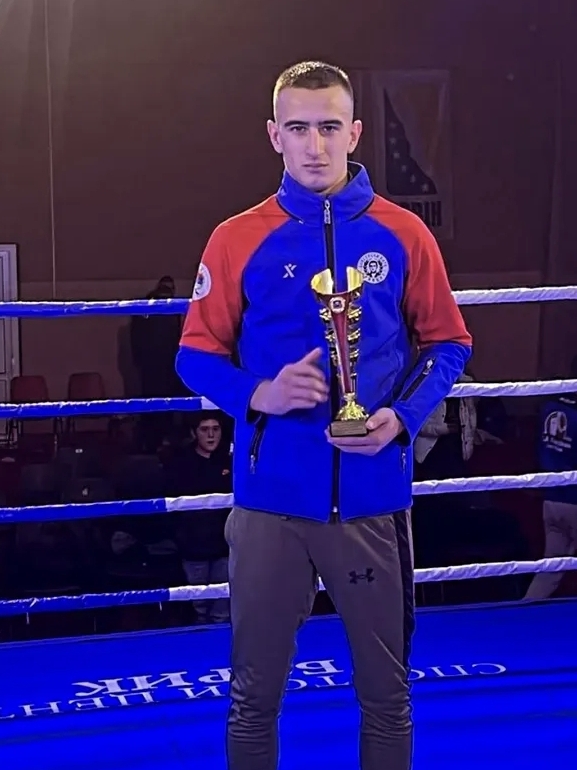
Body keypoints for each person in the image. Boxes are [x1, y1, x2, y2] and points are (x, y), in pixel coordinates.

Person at [176, 61, 472, 770]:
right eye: (299, 128)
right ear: (273, 134)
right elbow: (193, 354)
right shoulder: (236, 236)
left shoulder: (404, 233)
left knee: (386, 696)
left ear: (355, 132)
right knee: (253, 698)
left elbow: (449, 342)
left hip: (372, 499)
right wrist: (259, 394)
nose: (315, 145)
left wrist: (402, 417)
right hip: (270, 503)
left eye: (329, 127)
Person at [165, 411, 232, 623]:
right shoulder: (181, 464)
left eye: (215, 429)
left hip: (224, 544)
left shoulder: (230, 460)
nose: (211, 435)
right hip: (193, 546)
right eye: (205, 430)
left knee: (222, 608)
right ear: (195, 433)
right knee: (198, 608)